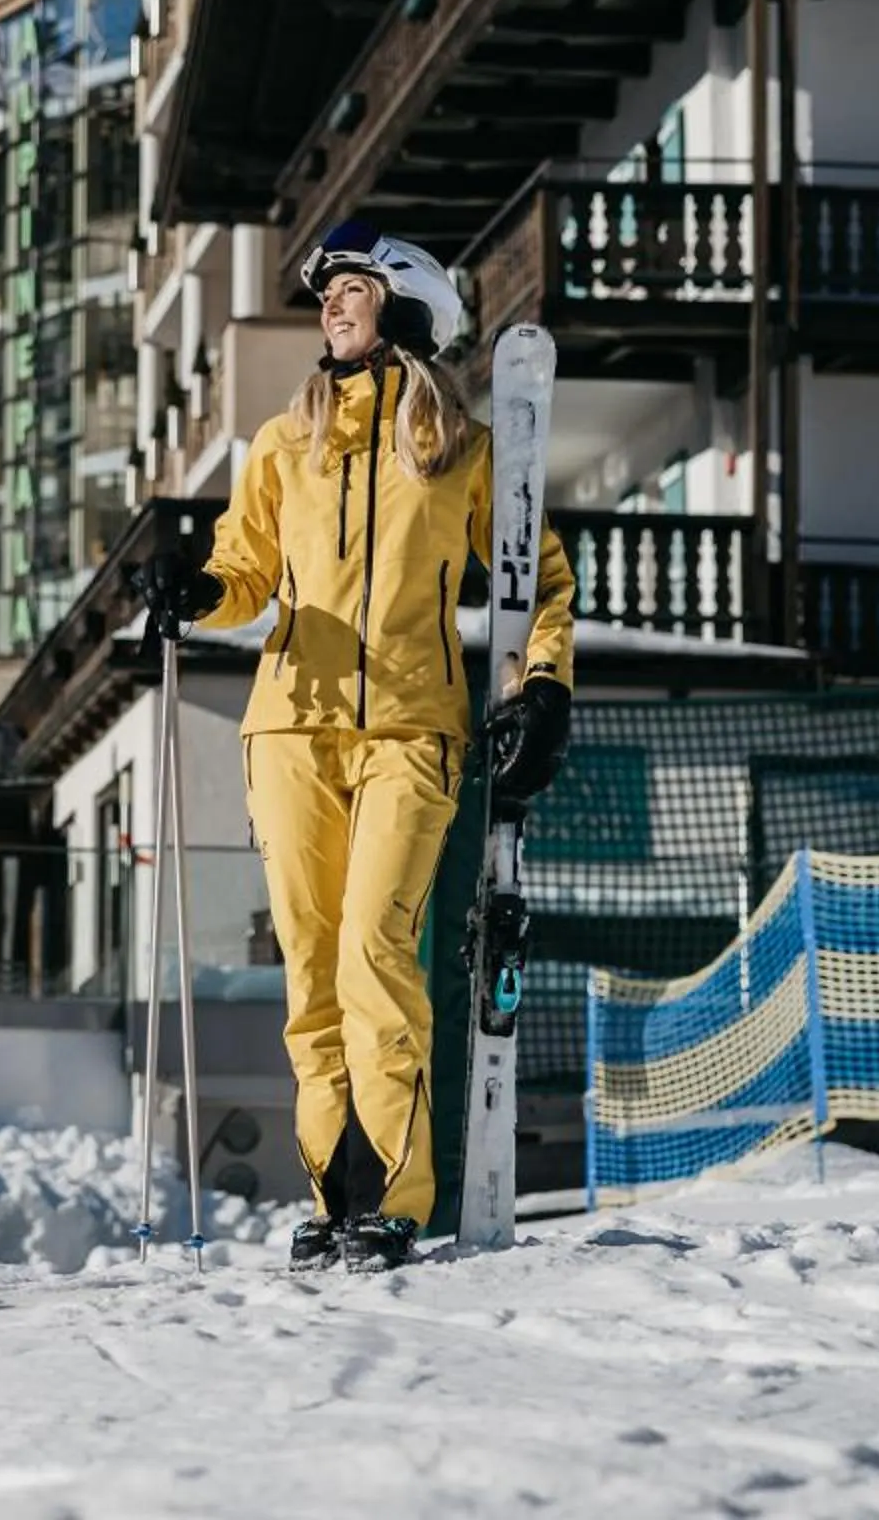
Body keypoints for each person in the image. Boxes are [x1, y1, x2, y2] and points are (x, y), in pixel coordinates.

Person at [132, 221, 576, 1272]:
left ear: (408, 305)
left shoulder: (462, 451)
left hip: (415, 729)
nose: (329, 303)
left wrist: (543, 683)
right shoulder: (285, 445)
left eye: (351, 287)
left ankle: (393, 1189)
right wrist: (198, 589)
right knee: (313, 969)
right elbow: (244, 565)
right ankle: (333, 1191)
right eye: (324, 290)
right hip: (290, 726)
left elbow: (537, 580)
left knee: (379, 946)